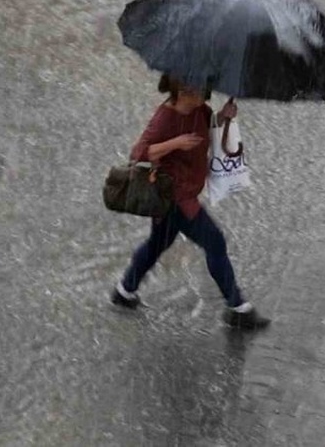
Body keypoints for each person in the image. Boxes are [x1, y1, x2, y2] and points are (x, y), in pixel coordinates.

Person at [111, 74, 270, 330]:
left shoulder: (201, 111)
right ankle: (237, 307)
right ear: (183, 90)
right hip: (175, 198)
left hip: (184, 193)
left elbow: (211, 129)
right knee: (215, 242)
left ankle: (124, 291)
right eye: (201, 90)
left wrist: (224, 117)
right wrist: (175, 143)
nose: (206, 93)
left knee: (156, 245)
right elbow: (139, 153)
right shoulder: (166, 118)